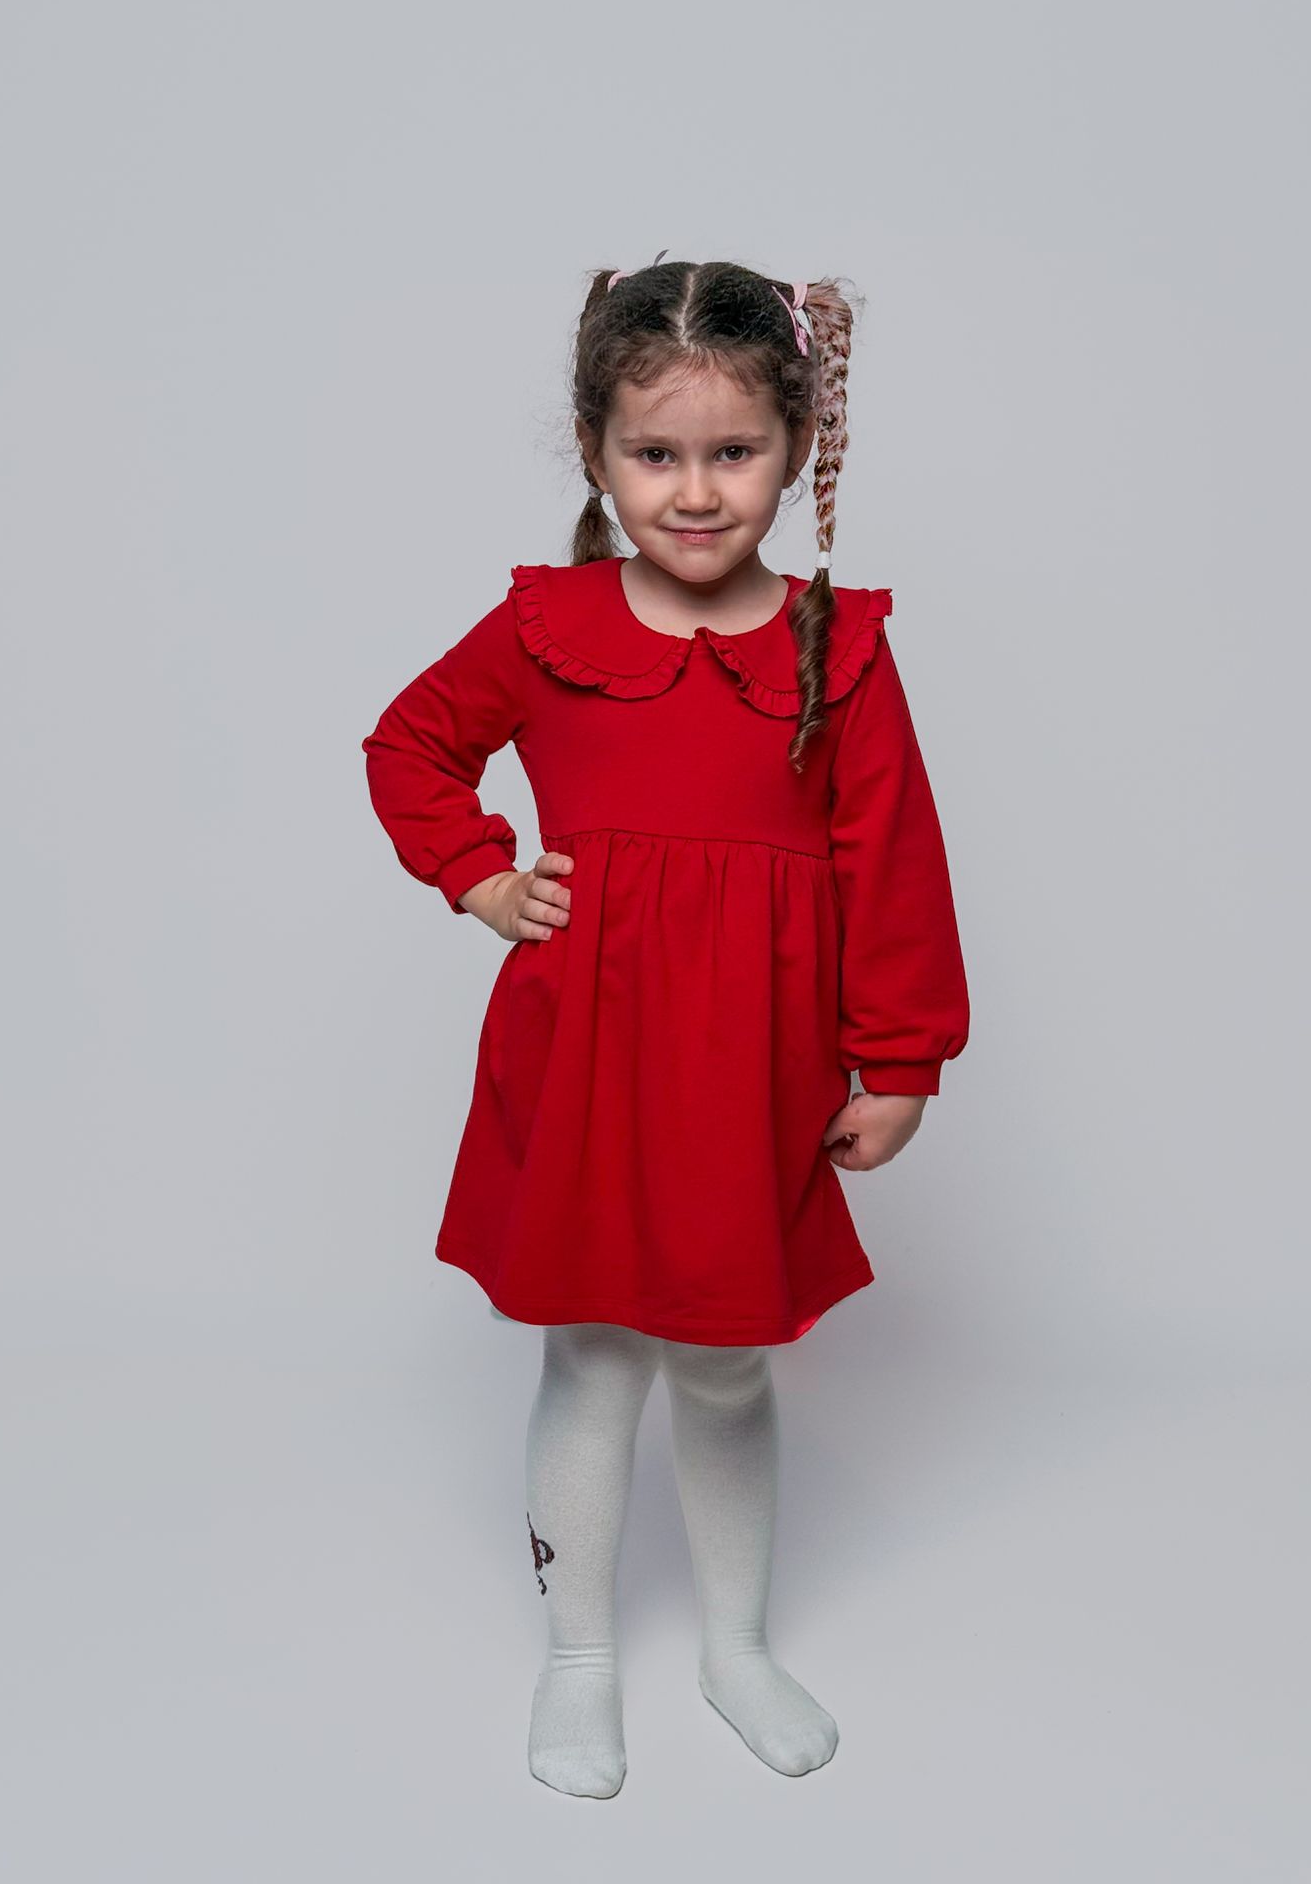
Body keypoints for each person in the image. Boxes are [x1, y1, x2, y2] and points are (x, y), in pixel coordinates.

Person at [360, 255, 971, 1799]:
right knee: (592, 1358)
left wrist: (901, 1057)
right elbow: (411, 745)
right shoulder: (548, 625)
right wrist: (480, 875)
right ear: (596, 450)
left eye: (734, 451)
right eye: (656, 453)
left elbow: (892, 859)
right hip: (586, 1053)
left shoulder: (839, 642)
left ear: (796, 445)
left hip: (751, 1072)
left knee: (724, 1366)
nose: (696, 492)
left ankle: (735, 1647)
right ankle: (578, 1658)